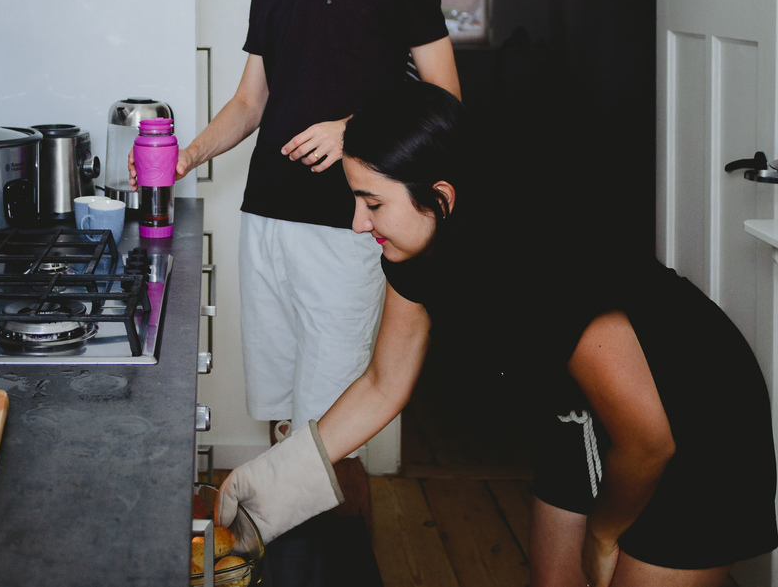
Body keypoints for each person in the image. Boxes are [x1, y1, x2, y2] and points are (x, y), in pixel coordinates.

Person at [217, 80, 778, 587]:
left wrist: (606, 535)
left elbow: (650, 441)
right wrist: (277, 481)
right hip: (578, 414)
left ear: (441, 196)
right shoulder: (413, 251)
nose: (359, 223)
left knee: (614, 558)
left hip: (693, 422)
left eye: (373, 203)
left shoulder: (537, 267)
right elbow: (385, 383)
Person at [133, 0, 459, 514]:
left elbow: (444, 99)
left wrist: (354, 129)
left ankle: (338, 565)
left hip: (346, 226)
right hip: (267, 218)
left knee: (328, 434)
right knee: (283, 419)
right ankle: (287, 559)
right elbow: (252, 102)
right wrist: (185, 156)